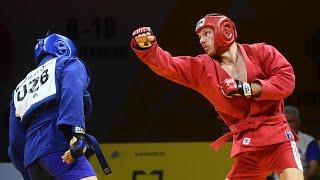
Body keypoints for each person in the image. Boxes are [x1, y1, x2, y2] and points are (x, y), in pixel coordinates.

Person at [131, 13, 304, 179]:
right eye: (199, 37)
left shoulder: (262, 52)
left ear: (225, 30)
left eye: (206, 34)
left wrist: (246, 88)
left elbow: (286, 81)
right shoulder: (202, 68)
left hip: (279, 140)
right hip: (248, 149)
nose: (202, 40)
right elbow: (169, 66)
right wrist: (148, 49)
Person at [8, 33, 97, 180]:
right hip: (58, 145)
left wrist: (27, 171)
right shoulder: (67, 63)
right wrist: (76, 133)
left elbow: (15, 143)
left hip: (32, 161)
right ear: (63, 48)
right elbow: (72, 92)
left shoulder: (19, 88)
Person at [285, 105, 320, 180]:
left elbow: (314, 168)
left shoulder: (309, 141)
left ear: (299, 122)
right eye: (284, 122)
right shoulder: (274, 140)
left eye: (291, 122)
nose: (287, 125)